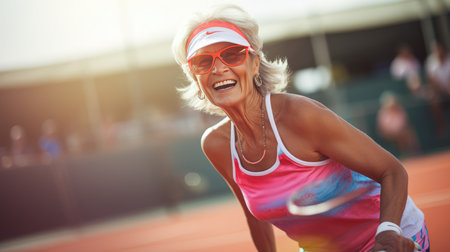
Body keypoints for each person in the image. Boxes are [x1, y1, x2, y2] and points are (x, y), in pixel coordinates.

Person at [172, 5, 429, 252]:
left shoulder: (301, 116)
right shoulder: (216, 144)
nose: (217, 68)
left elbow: (392, 171)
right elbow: (255, 216)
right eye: (202, 62)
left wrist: (388, 232)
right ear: (196, 78)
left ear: (255, 64)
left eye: (231, 54)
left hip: (388, 239)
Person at [376, 92, 420, 157]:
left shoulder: (399, 110)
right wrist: (395, 131)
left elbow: (405, 123)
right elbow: (383, 129)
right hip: (389, 135)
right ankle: (405, 153)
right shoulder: (383, 113)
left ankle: (414, 153)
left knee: (410, 133)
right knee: (402, 135)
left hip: (401, 132)